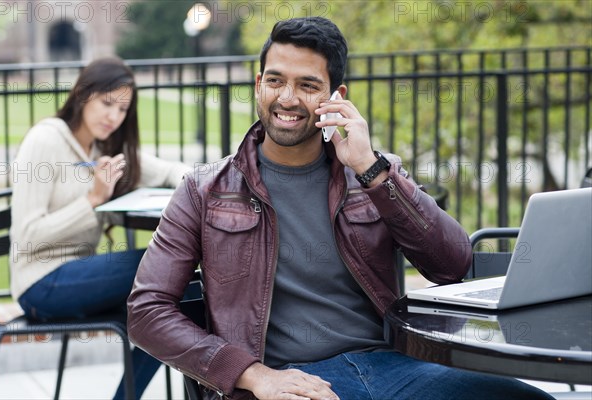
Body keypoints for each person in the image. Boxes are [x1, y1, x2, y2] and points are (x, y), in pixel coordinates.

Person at [127, 18, 554, 400]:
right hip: (287, 380)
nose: (288, 99)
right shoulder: (204, 189)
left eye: (308, 86)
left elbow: (452, 264)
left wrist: (371, 170)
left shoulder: (375, 174)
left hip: (397, 369)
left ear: (337, 96)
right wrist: (252, 375)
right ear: (259, 83)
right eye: (275, 81)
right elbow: (147, 312)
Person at [10, 57, 190, 400]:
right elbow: (28, 236)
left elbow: (169, 171)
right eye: (106, 103)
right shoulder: (45, 141)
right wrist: (92, 199)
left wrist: (215, 180)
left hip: (78, 280)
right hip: (40, 283)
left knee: (174, 307)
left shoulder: (102, 150)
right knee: (167, 264)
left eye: (122, 109)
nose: (113, 117)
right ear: (83, 94)